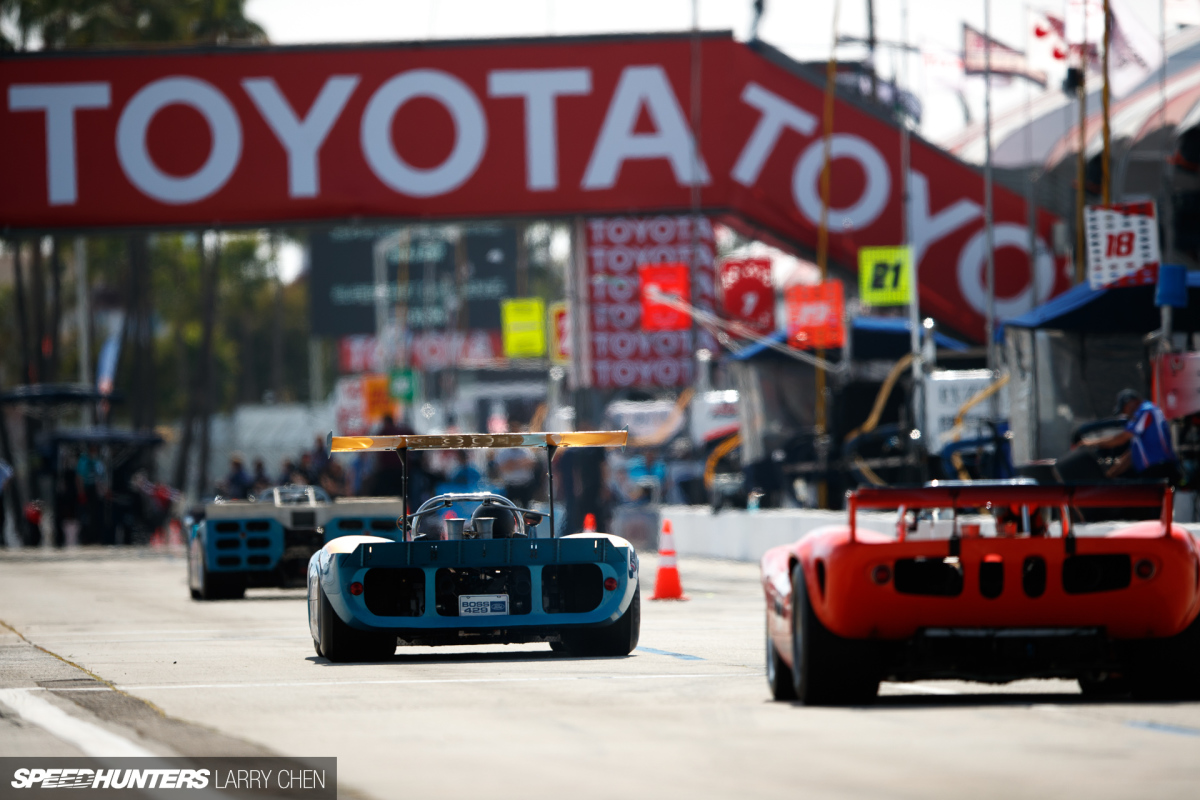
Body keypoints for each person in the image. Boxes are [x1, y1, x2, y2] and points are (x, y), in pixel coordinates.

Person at [1079, 389, 1179, 481]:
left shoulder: (1146, 410)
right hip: (1153, 471)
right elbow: (1129, 457)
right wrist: (1108, 475)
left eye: (1124, 409)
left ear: (1131, 402)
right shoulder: (1141, 430)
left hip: (1160, 468)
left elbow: (1121, 439)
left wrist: (1090, 443)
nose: (1126, 415)